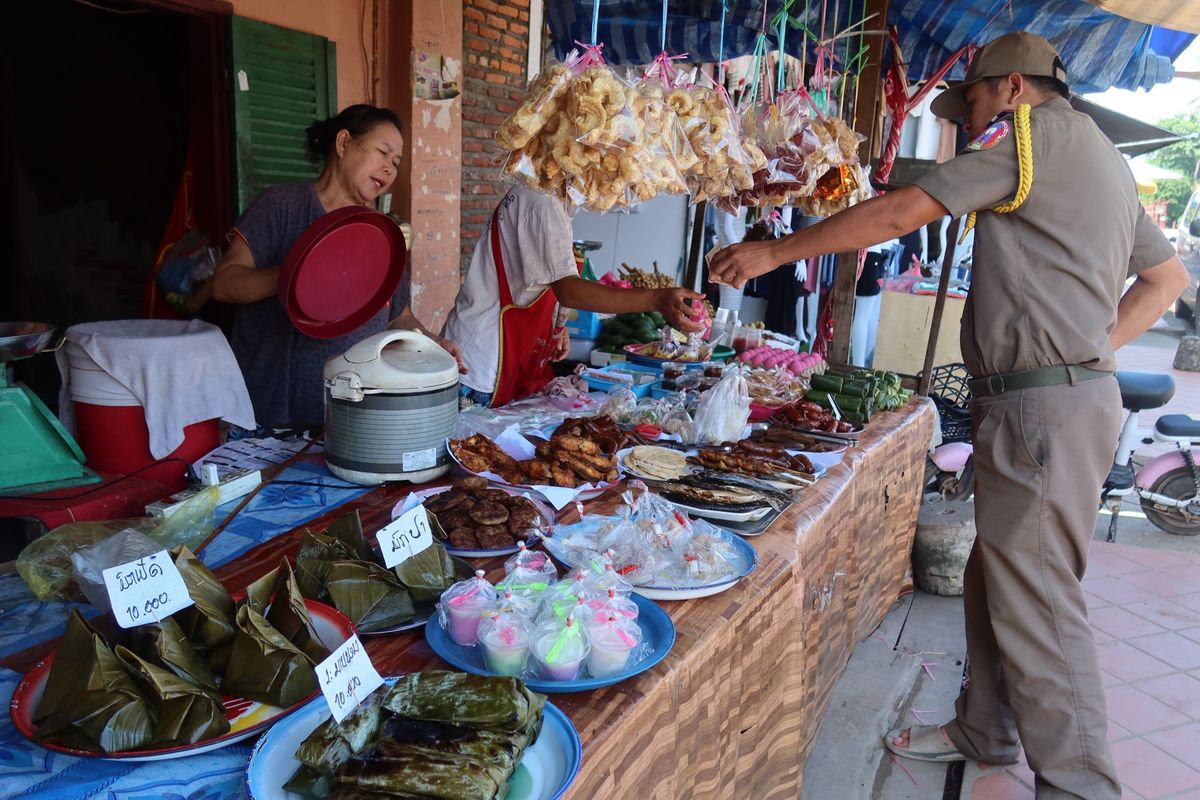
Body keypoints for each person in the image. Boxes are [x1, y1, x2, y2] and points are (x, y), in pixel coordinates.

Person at [710, 32, 1189, 799]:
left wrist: (775, 255)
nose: (967, 120)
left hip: (1044, 408)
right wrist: (1086, 348)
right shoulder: (1105, 157)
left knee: (1037, 597)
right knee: (993, 575)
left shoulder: (1031, 139)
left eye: (969, 101)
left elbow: (902, 211)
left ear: (1010, 89)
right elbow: (1164, 281)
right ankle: (985, 726)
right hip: (1057, 397)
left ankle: (1081, 785)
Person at [212, 104, 459, 430]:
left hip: (353, 415)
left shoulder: (381, 234)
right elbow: (224, 285)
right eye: (383, 153)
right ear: (343, 144)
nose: (389, 169)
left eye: (396, 164)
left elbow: (400, 315)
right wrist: (299, 274)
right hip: (270, 417)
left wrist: (427, 342)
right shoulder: (281, 206)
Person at [441, 183, 703, 408]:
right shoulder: (543, 201)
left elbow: (532, 281)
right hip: (481, 363)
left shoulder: (553, 200)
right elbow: (568, 290)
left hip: (499, 355)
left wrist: (554, 326)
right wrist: (655, 299)